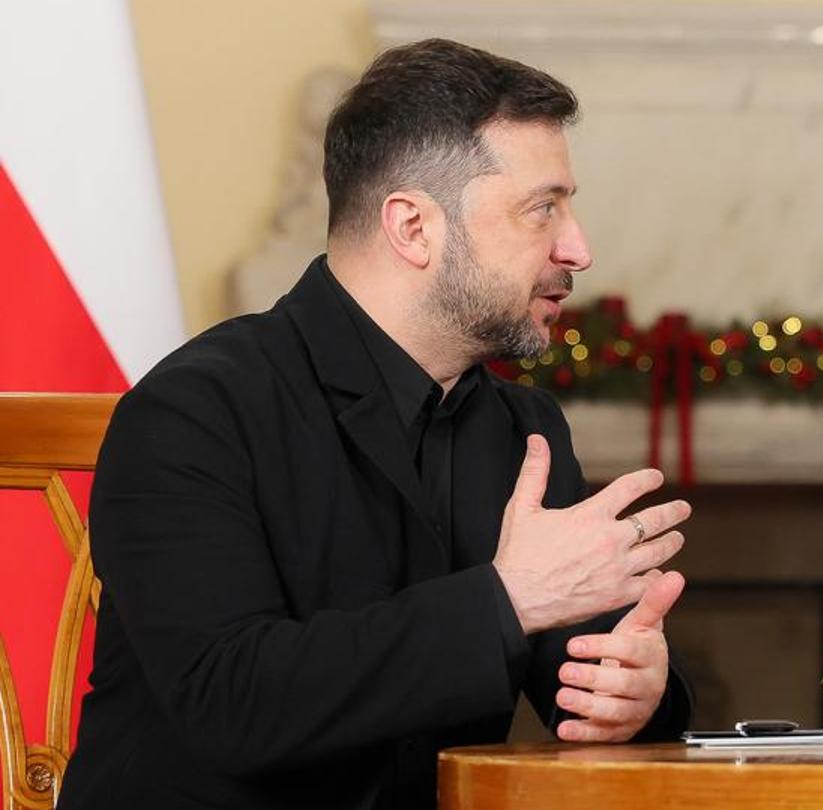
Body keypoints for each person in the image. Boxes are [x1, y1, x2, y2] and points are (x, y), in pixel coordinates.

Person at [59, 39, 694, 808]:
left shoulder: (523, 427)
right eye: (543, 208)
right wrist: (508, 599)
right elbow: (232, 703)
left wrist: (633, 691)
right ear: (412, 227)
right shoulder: (192, 411)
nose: (578, 248)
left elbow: (584, 680)